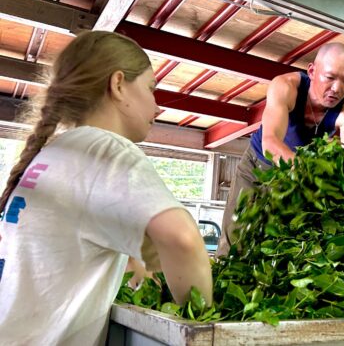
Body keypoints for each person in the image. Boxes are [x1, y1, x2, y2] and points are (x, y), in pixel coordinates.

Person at [0, 31, 213, 345]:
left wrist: (139, 262)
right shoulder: (107, 148)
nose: (157, 107)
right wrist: (207, 324)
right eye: (151, 89)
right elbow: (181, 237)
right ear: (118, 85)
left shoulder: (56, 153)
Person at [217, 42, 344, 256]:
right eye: (330, 77)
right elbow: (270, 143)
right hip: (258, 167)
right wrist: (308, 174)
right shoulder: (285, 87)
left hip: (297, 182)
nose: (337, 88)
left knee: (280, 245)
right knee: (235, 240)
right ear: (312, 71)